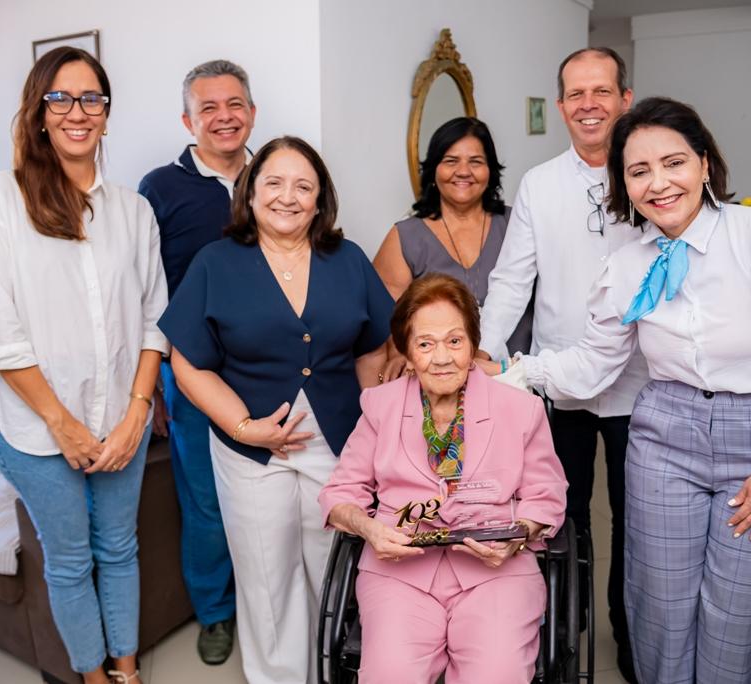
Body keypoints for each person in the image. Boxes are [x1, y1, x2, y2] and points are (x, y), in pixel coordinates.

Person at [485, 97, 751, 683]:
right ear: (624, 184)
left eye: (674, 163)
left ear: (704, 163)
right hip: (663, 436)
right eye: (639, 171)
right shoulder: (627, 266)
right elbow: (594, 364)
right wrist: (512, 372)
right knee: (658, 606)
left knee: (739, 609)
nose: (659, 183)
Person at [0, 47, 168, 684]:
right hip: (36, 431)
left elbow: (155, 320)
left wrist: (136, 413)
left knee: (121, 548)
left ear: (107, 111)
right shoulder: (0, 199)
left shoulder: (132, 211)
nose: (78, 112)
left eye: (91, 98)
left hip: (120, 423)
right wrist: (62, 424)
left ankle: (126, 669)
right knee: (71, 561)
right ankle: (92, 677)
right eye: (61, 98)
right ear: (39, 111)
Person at [158, 136, 392, 684]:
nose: (288, 196)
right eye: (274, 183)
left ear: (320, 200)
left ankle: (331, 670)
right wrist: (244, 427)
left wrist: (372, 424)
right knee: (267, 579)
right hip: (250, 452)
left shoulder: (348, 259)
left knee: (334, 569)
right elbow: (187, 362)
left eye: (303, 186)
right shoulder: (215, 263)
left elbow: (373, 348)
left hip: (336, 445)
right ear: (250, 192)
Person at [477, 46, 648, 680]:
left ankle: (630, 634)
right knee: (561, 516)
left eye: (602, 91)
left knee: (636, 520)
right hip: (557, 382)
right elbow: (510, 281)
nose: (589, 104)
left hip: (642, 385)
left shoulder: (650, 176)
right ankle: (564, 631)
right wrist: (483, 351)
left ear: (625, 99)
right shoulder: (540, 184)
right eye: (576, 94)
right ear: (560, 106)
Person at [319, 274, 567, 684]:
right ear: (407, 351)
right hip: (400, 572)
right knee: (391, 675)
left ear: (472, 345)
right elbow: (340, 493)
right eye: (425, 344)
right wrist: (369, 528)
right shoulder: (380, 406)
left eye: (454, 341)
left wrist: (519, 534)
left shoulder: (520, 409)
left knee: (496, 675)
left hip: (495, 570)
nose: (441, 357)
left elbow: (547, 494)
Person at [138, 58, 255, 665]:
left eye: (234, 104)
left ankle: (268, 607)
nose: (223, 117)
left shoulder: (276, 175)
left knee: (269, 498)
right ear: (188, 120)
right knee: (207, 503)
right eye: (208, 107)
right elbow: (143, 292)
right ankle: (215, 612)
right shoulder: (159, 188)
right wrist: (153, 383)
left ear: (252, 112)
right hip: (190, 376)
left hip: (269, 370)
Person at [373, 117, 531, 356]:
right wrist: (399, 358)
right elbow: (385, 321)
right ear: (433, 169)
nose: (464, 171)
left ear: (490, 170)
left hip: (519, 371)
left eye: (476, 161)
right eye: (451, 161)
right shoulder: (405, 237)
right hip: (439, 374)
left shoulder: (519, 223)